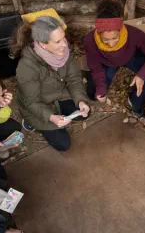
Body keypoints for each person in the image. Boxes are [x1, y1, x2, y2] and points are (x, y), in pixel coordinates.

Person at [12, 16, 90, 152]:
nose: (65, 44)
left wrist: (81, 101)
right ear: (43, 44)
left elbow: (74, 79)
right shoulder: (27, 66)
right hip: (38, 104)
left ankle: (62, 112)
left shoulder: (64, 51)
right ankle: (31, 123)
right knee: (63, 144)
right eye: (58, 41)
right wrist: (52, 117)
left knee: (83, 111)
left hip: (58, 94)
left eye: (64, 38)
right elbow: (31, 102)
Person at [84, 0, 145, 118]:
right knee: (93, 93)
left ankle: (135, 103)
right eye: (105, 40)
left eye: (115, 38)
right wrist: (101, 86)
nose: (111, 44)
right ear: (99, 33)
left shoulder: (133, 34)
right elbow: (95, 66)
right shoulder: (90, 39)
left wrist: (142, 74)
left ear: (120, 29)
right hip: (107, 62)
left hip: (130, 56)